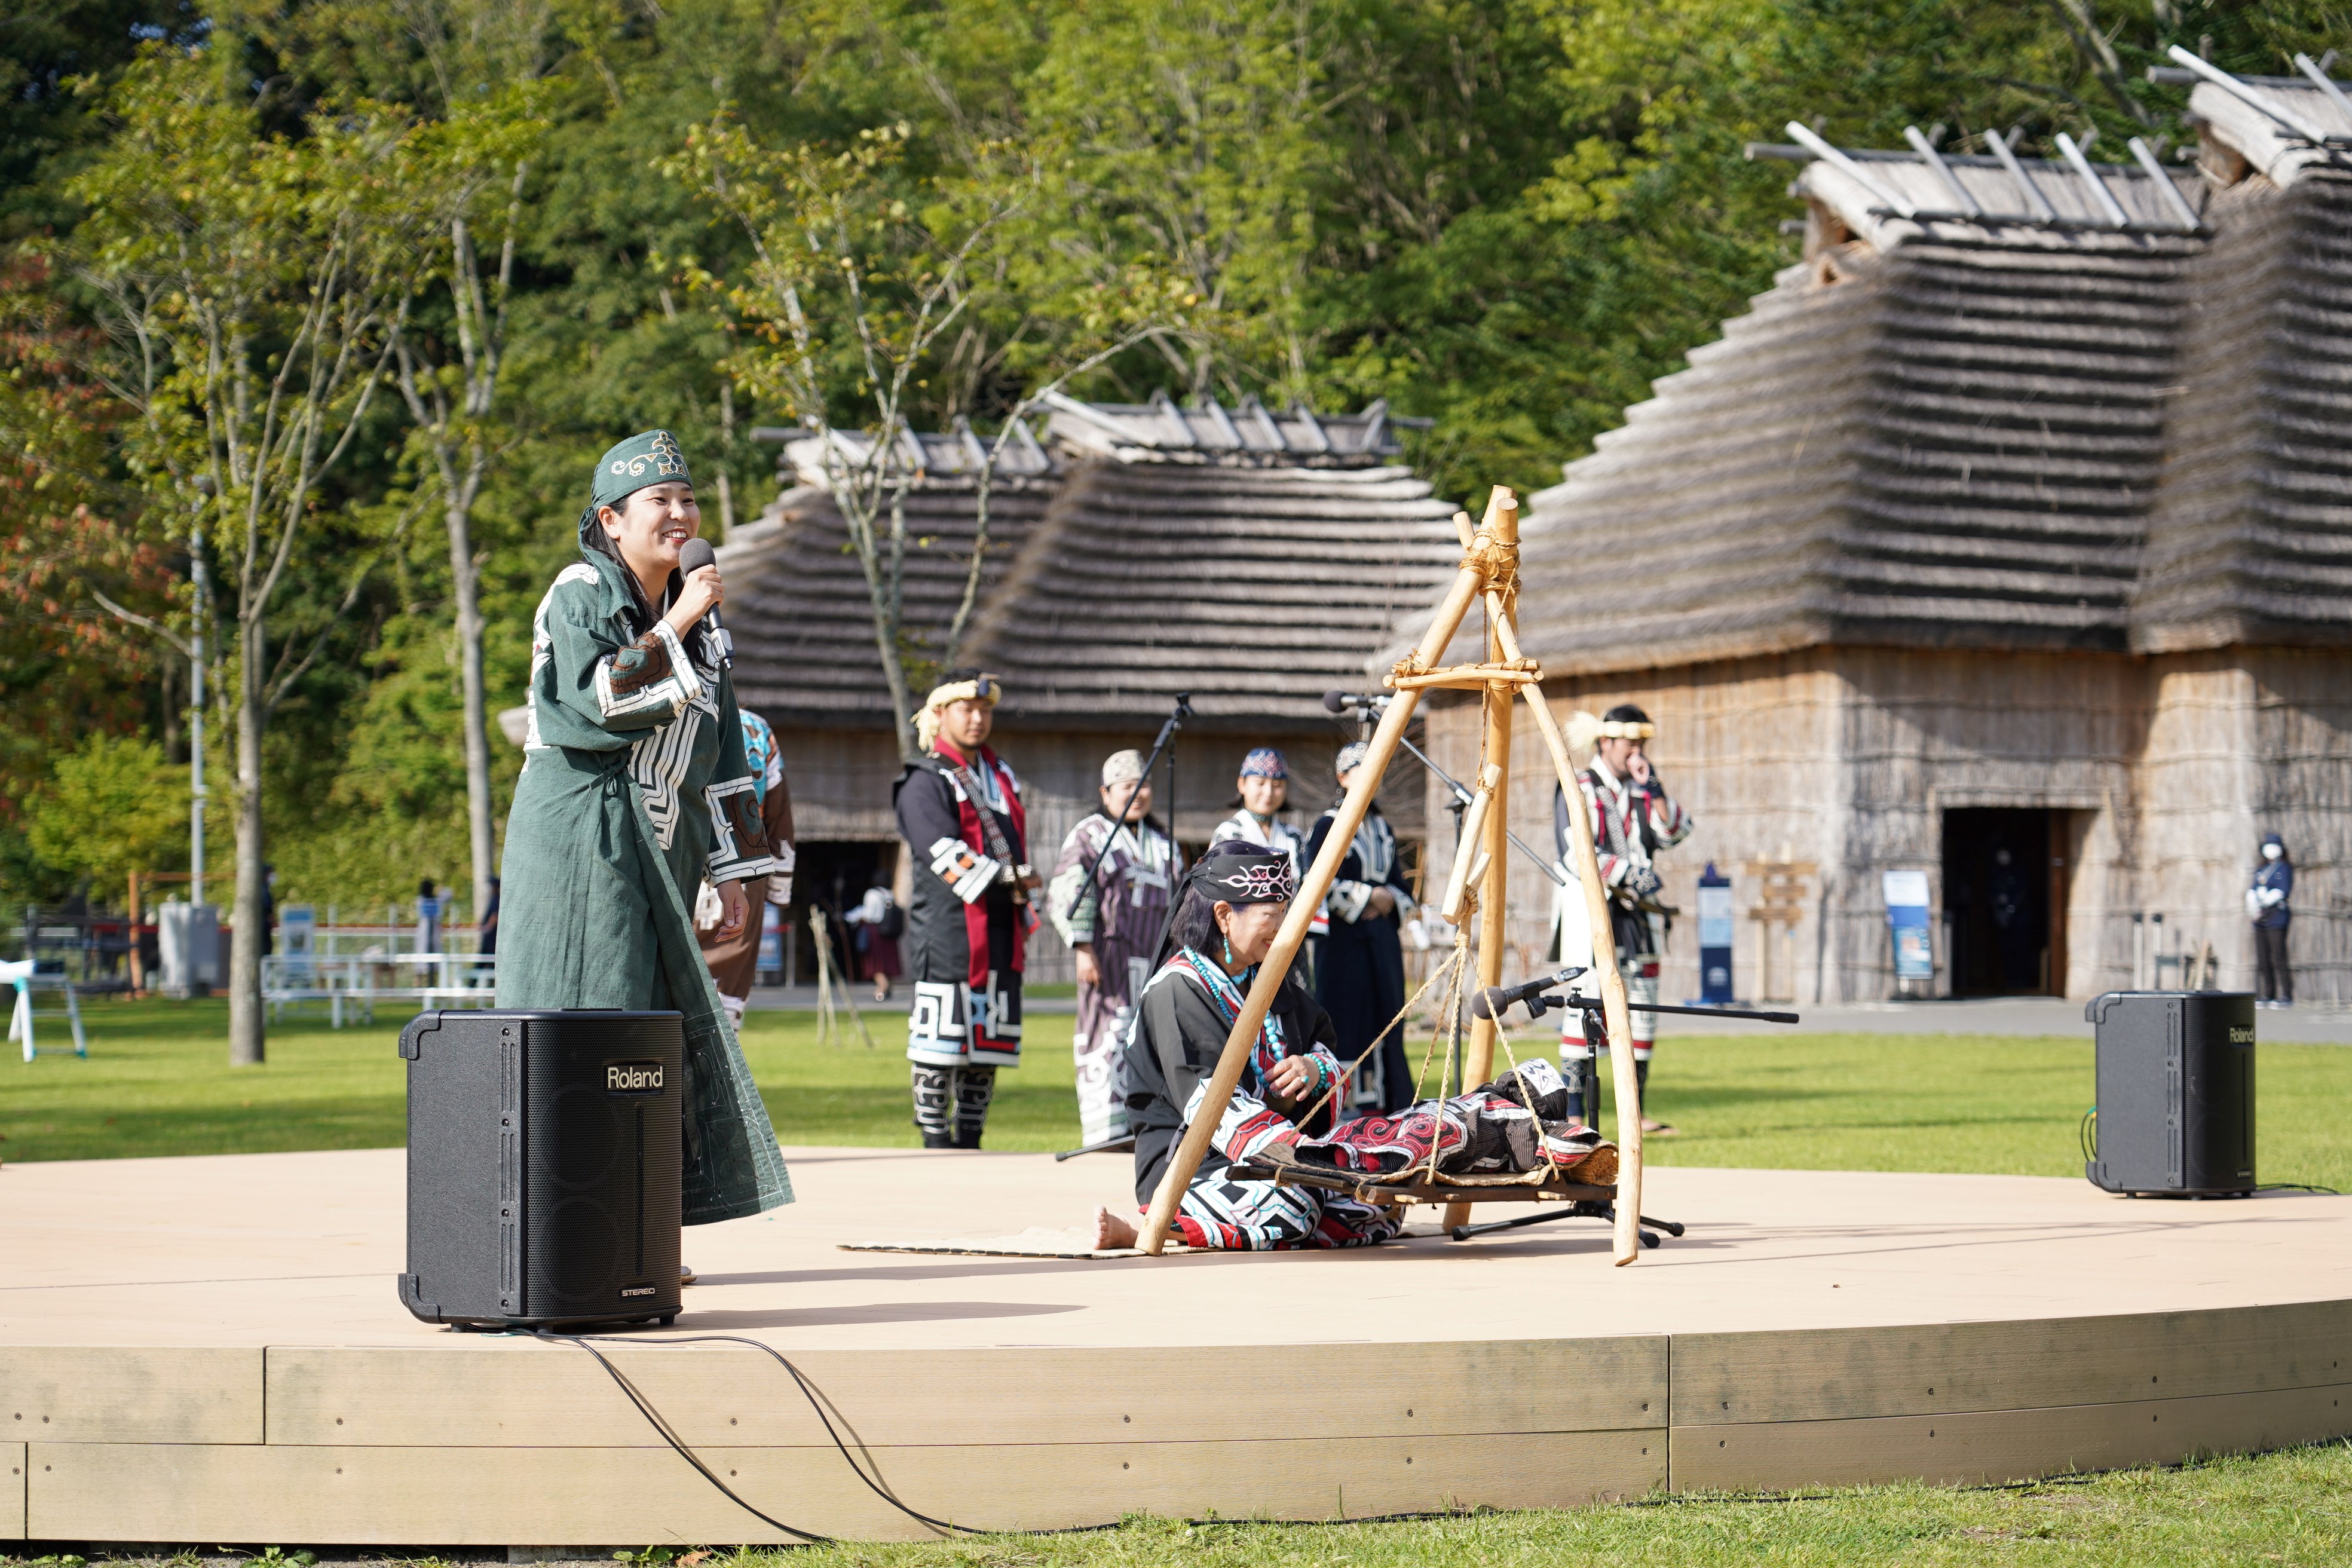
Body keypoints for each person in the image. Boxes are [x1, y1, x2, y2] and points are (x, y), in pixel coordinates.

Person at [495, 428, 792, 1231]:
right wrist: (681, 619)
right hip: (582, 838)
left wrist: (736, 875)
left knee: (652, 1037)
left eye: (687, 499)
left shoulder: (698, 621)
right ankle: (571, 1231)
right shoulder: (580, 593)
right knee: (592, 1018)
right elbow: (605, 703)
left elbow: (729, 746)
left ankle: (638, 1227)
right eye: (660, 500)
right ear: (611, 521)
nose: (680, 514)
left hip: (665, 847)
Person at [895, 670, 1036, 1149]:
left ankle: (972, 1137)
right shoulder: (924, 779)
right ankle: (935, 1140)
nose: (978, 718)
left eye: (985, 710)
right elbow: (940, 850)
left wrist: (1016, 880)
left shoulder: (1001, 778)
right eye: (967, 709)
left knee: (986, 1043)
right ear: (940, 714)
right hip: (950, 931)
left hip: (998, 930)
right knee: (942, 1044)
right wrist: (1007, 876)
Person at [1554, 703, 1692, 1135]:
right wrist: (1629, 872)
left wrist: (1655, 787)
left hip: (1640, 919)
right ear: (1606, 742)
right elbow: (1574, 850)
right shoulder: (1579, 786)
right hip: (1592, 915)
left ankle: (1637, 1111)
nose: (1638, 751)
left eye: (1643, 743)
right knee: (1584, 1009)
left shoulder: (1641, 789)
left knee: (1643, 1011)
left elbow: (1674, 832)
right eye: (1631, 742)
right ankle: (1573, 1115)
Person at [1048, 749, 1180, 1147]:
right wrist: (1083, 946)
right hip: (1110, 957)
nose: (1138, 794)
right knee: (1107, 1035)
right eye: (1128, 787)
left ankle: (1149, 1128)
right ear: (1106, 793)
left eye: (1144, 787)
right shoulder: (1090, 834)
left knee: (1153, 1039)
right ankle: (1107, 1129)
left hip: (1157, 958)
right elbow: (1070, 887)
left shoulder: (1164, 841)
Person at [1307, 740, 1419, 1114]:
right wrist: (1368, 897)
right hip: (1343, 947)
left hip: (1381, 943)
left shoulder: (1383, 828)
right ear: (1343, 777)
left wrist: (1388, 898)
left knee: (1386, 1020)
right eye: (1361, 770)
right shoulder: (1327, 825)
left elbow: (1400, 887)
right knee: (1345, 1021)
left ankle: (1390, 1109)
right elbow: (1318, 883)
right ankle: (1344, 1111)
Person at [696, 705, 797, 1031]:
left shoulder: (658, 706)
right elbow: (778, 814)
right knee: (724, 997)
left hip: (670, 860)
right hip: (741, 868)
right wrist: (778, 889)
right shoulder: (755, 727)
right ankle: (717, 1077)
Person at [2249, 832, 2293, 1009]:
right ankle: (2268, 993)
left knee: (2279, 956)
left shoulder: (2284, 868)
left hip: (2276, 917)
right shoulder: (2261, 869)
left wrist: (2266, 899)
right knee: (2262, 958)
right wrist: (2253, 902)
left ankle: (2287, 994)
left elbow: (2282, 891)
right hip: (2260, 918)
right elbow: (2253, 888)